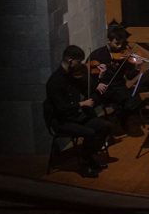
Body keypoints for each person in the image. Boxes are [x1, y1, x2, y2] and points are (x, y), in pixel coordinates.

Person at [44, 46, 113, 178]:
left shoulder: (73, 76)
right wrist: (81, 104)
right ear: (70, 60)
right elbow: (61, 108)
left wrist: (99, 77)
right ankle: (85, 163)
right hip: (61, 120)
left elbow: (87, 89)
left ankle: (87, 156)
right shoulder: (54, 82)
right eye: (79, 61)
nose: (81, 64)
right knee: (90, 132)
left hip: (75, 116)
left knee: (106, 126)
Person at [86, 25, 145, 127]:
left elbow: (130, 76)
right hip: (104, 88)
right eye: (117, 43)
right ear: (108, 40)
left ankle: (120, 116)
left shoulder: (124, 54)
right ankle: (116, 118)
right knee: (126, 100)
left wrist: (137, 68)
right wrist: (96, 84)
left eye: (121, 43)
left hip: (119, 86)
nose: (119, 46)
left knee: (135, 100)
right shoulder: (97, 54)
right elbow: (87, 75)